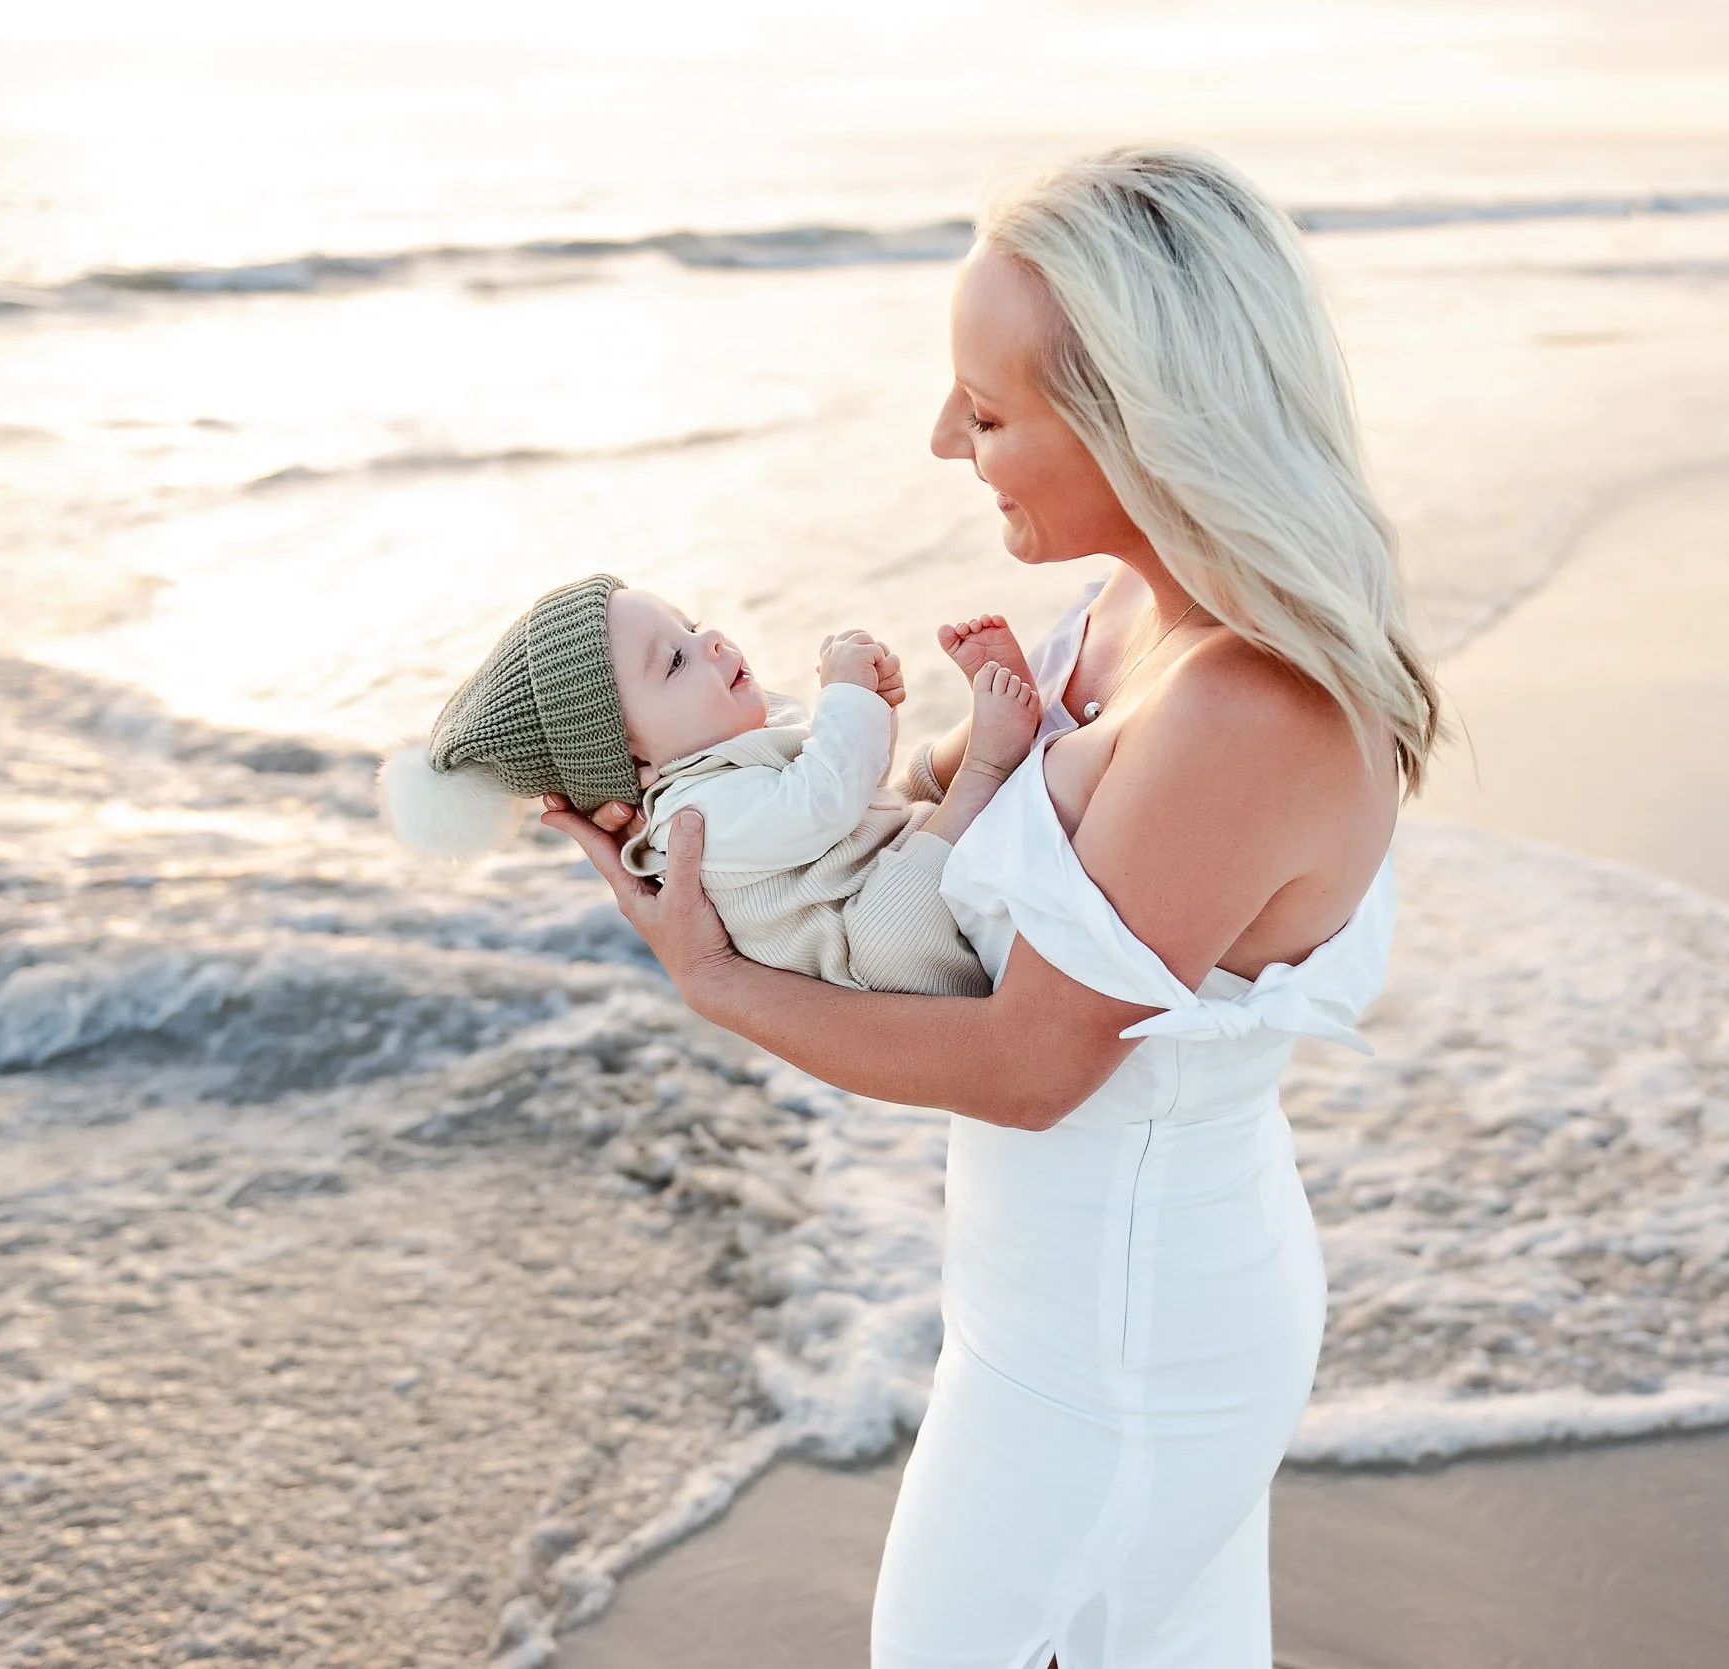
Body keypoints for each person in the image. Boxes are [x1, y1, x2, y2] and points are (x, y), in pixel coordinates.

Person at [546, 144, 1441, 1668]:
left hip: (1121, 1352)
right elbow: (908, 830)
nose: (943, 438)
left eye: (990, 408)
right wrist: (709, 797)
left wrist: (720, 984)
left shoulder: (1244, 708)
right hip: (1069, 1307)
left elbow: (1034, 1065)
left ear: (1134, 422)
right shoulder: (1123, 613)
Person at [376, 575, 1044, 997]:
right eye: (674, 660)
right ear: (637, 766)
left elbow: (851, 780)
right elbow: (824, 800)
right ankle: (990, 761)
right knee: (898, 904)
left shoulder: (728, 739)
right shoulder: (694, 815)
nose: (713, 642)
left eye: (690, 628)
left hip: (876, 850)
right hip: (875, 944)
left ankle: (993, 726)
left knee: (917, 781)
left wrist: (877, 702)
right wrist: (845, 694)